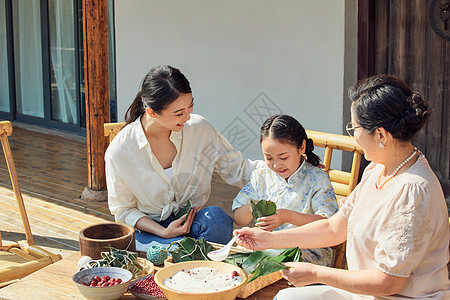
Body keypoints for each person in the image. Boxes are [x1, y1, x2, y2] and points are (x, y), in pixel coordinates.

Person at [235, 75, 450, 299]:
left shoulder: (413, 191)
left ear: (380, 134)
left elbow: (388, 282)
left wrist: (315, 273)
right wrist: (266, 239)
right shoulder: (377, 170)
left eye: (354, 128)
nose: (353, 135)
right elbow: (334, 228)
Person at [105, 65, 261, 251]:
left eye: (190, 106)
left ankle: (190, 254)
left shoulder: (199, 129)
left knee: (217, 220)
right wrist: (162, 232)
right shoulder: (120, 150)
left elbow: (239, 170)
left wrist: (280, 166)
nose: (187, 116)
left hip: (192, 222)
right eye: (179, 113)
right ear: (152, 112)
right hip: (152, 232)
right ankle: (191, 254)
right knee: (169, 251)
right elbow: (123, 210)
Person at [232, 115, 339, 266]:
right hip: (267, 247)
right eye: (269, 158)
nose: (276, 165)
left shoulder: (317, 178)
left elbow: (329, 223)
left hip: (306, 252)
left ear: (301, 147)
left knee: (264, 260)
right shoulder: (262, 175)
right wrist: (252, 206)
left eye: (283, 157)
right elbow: (238, 218)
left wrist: (289, 216)